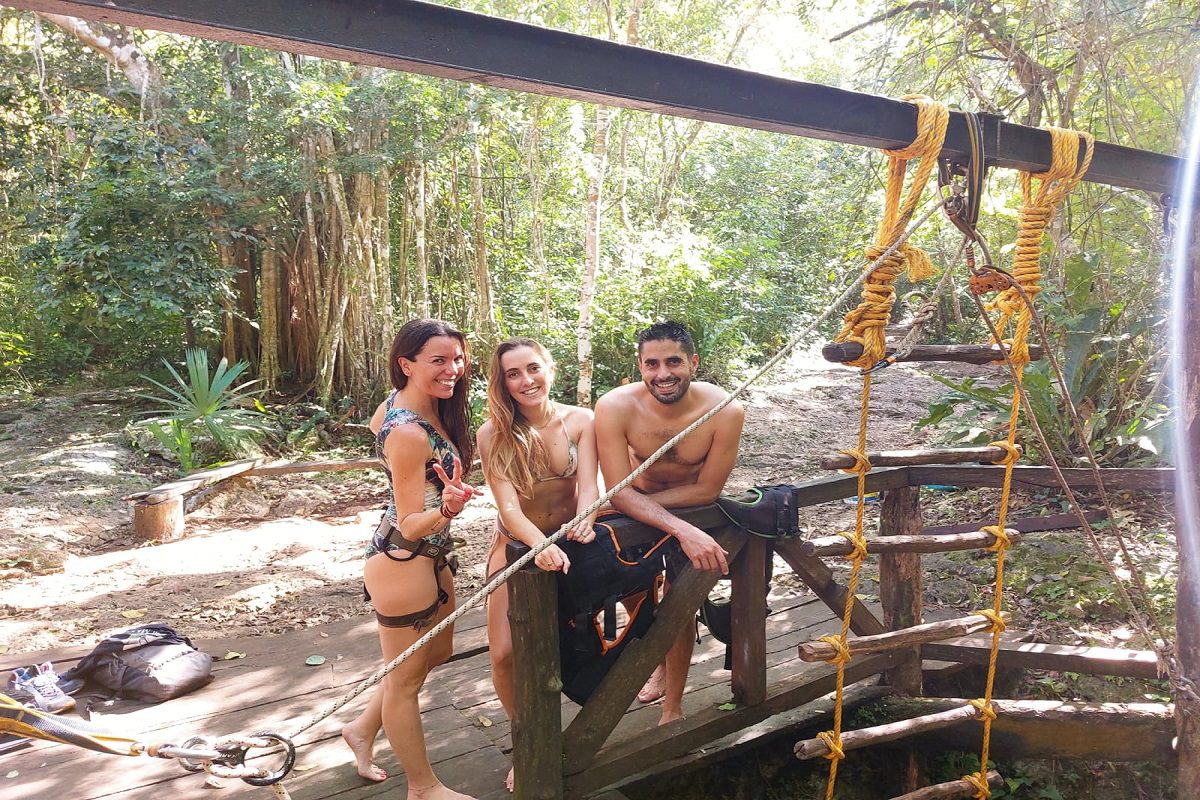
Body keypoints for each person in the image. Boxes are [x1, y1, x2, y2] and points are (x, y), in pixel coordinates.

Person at [341, 319, 478, 800]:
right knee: (404, 681)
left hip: (433, 557)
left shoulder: (403, 406)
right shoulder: (408, 432)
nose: (452, 369)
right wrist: (447, 508)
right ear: (407, 364)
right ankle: (423, 787)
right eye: (438, 360)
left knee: (434, 654)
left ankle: (361, 729)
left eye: (457, 359)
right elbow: (409, 523)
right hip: (403, 560)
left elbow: (380, 434)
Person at [593, 321, 744, 725]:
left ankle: (672, 706)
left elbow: (707, 489)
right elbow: (617, 489)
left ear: (693, 362)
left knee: (678, 606)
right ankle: (658, 663)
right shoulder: (615, 406)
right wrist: (639, 509)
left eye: (674, 362)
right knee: (638, 597)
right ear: (640, 366)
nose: (663, 374)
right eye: (652, 364)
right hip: (633, 515)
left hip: (691, 510)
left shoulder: (725, 411)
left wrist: (660, 516)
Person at [477, 337, 600, 792]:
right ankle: (526, 738)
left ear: (550, 368)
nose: (526, 380)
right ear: (503, 383)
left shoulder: (581, 420)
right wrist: (537, 543)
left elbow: (589, 486)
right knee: (504, 654)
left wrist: (586, 517)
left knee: (583, 637)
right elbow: (508, 508)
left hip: (573, 542)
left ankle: (598, 716)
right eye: (513, 374)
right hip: (517, 545)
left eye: (533, 368)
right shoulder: (492, 433)